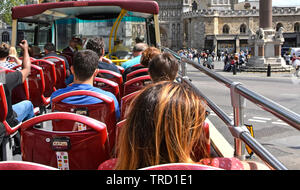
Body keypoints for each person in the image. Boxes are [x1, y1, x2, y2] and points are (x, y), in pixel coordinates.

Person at [98, 82, 266, 170]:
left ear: (133, 127)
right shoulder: (219, 166)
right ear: (191, 132)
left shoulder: (109, 168)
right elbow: (262, 167)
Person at [50, 49, 120, 120]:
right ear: (96, 73)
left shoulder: (56, 97)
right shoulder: (109, 99)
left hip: (65, 131)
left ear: (72, 70)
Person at [0, 40, 35, 154]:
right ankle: (28, 146)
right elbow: (26, 70)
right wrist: (25, 50)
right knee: (28, 104)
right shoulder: (3, 78)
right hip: (5, 122)